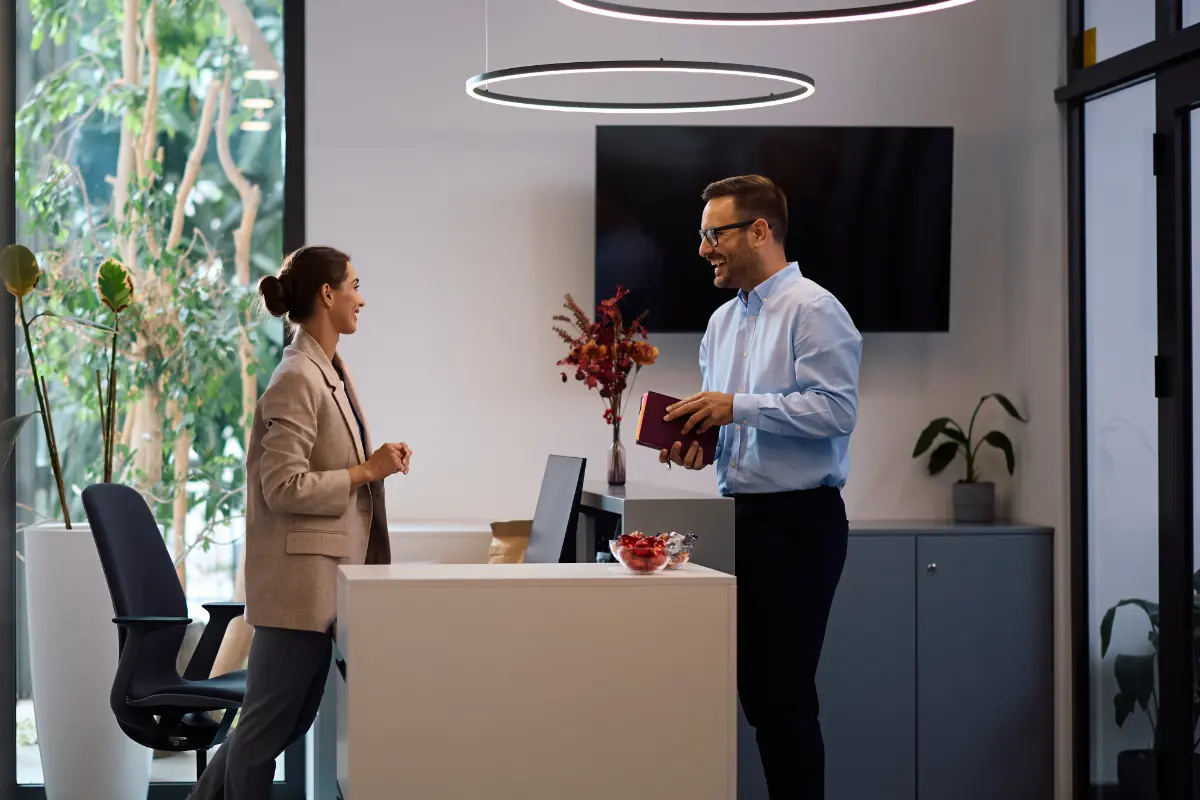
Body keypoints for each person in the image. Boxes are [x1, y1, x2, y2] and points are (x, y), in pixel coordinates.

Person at [660, 175, 862, 799]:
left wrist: (737, 408)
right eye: (701, 236)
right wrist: (704, 442)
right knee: (753, 695)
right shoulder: (720, 323)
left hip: (800, 524)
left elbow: (836, 412)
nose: (703, 250)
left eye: (713, 235)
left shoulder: (814, 309)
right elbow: (737, 425)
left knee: (783, 699)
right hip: (738, 520)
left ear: (759, 231)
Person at [189, 245, 411, 800]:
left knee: (272, 728)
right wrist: (365, 470)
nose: (363, 297)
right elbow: (281, 486)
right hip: (297, 594)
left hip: (322, 589)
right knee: (264, 736)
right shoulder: (297, 376)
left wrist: (372, 462)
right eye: (355, 285)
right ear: (327, 294)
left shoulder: (328, 369)